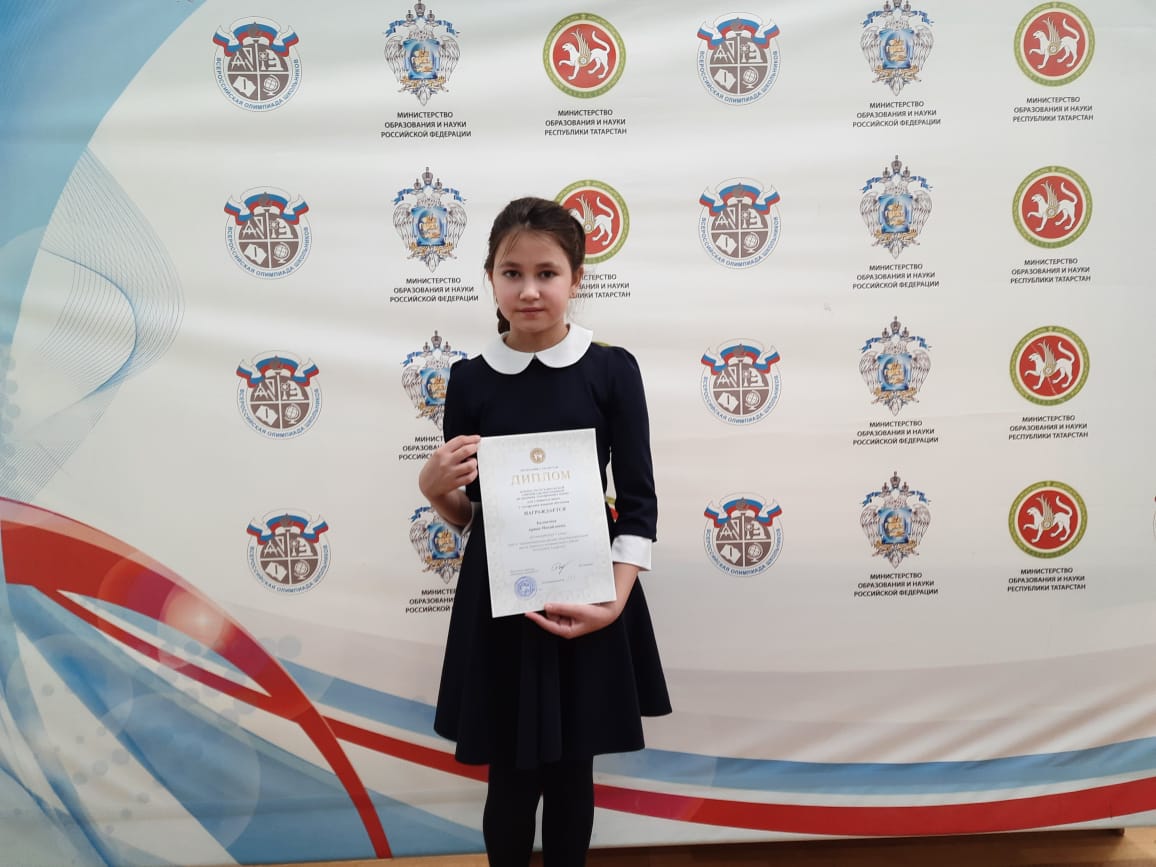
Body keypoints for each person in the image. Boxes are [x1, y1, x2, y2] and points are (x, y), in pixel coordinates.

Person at [418, 197, 670, 865]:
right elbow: (473, 513)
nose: (529, 290)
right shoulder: (469, 380)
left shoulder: (611, 370)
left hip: (589, 593)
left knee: (570, 772)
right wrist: (435, 490)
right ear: (490, 278)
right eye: (512, 273)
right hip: (499, 604)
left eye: (547, 273)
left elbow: (639, 503)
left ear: (576, 278)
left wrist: (612, 602)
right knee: (509, 775)